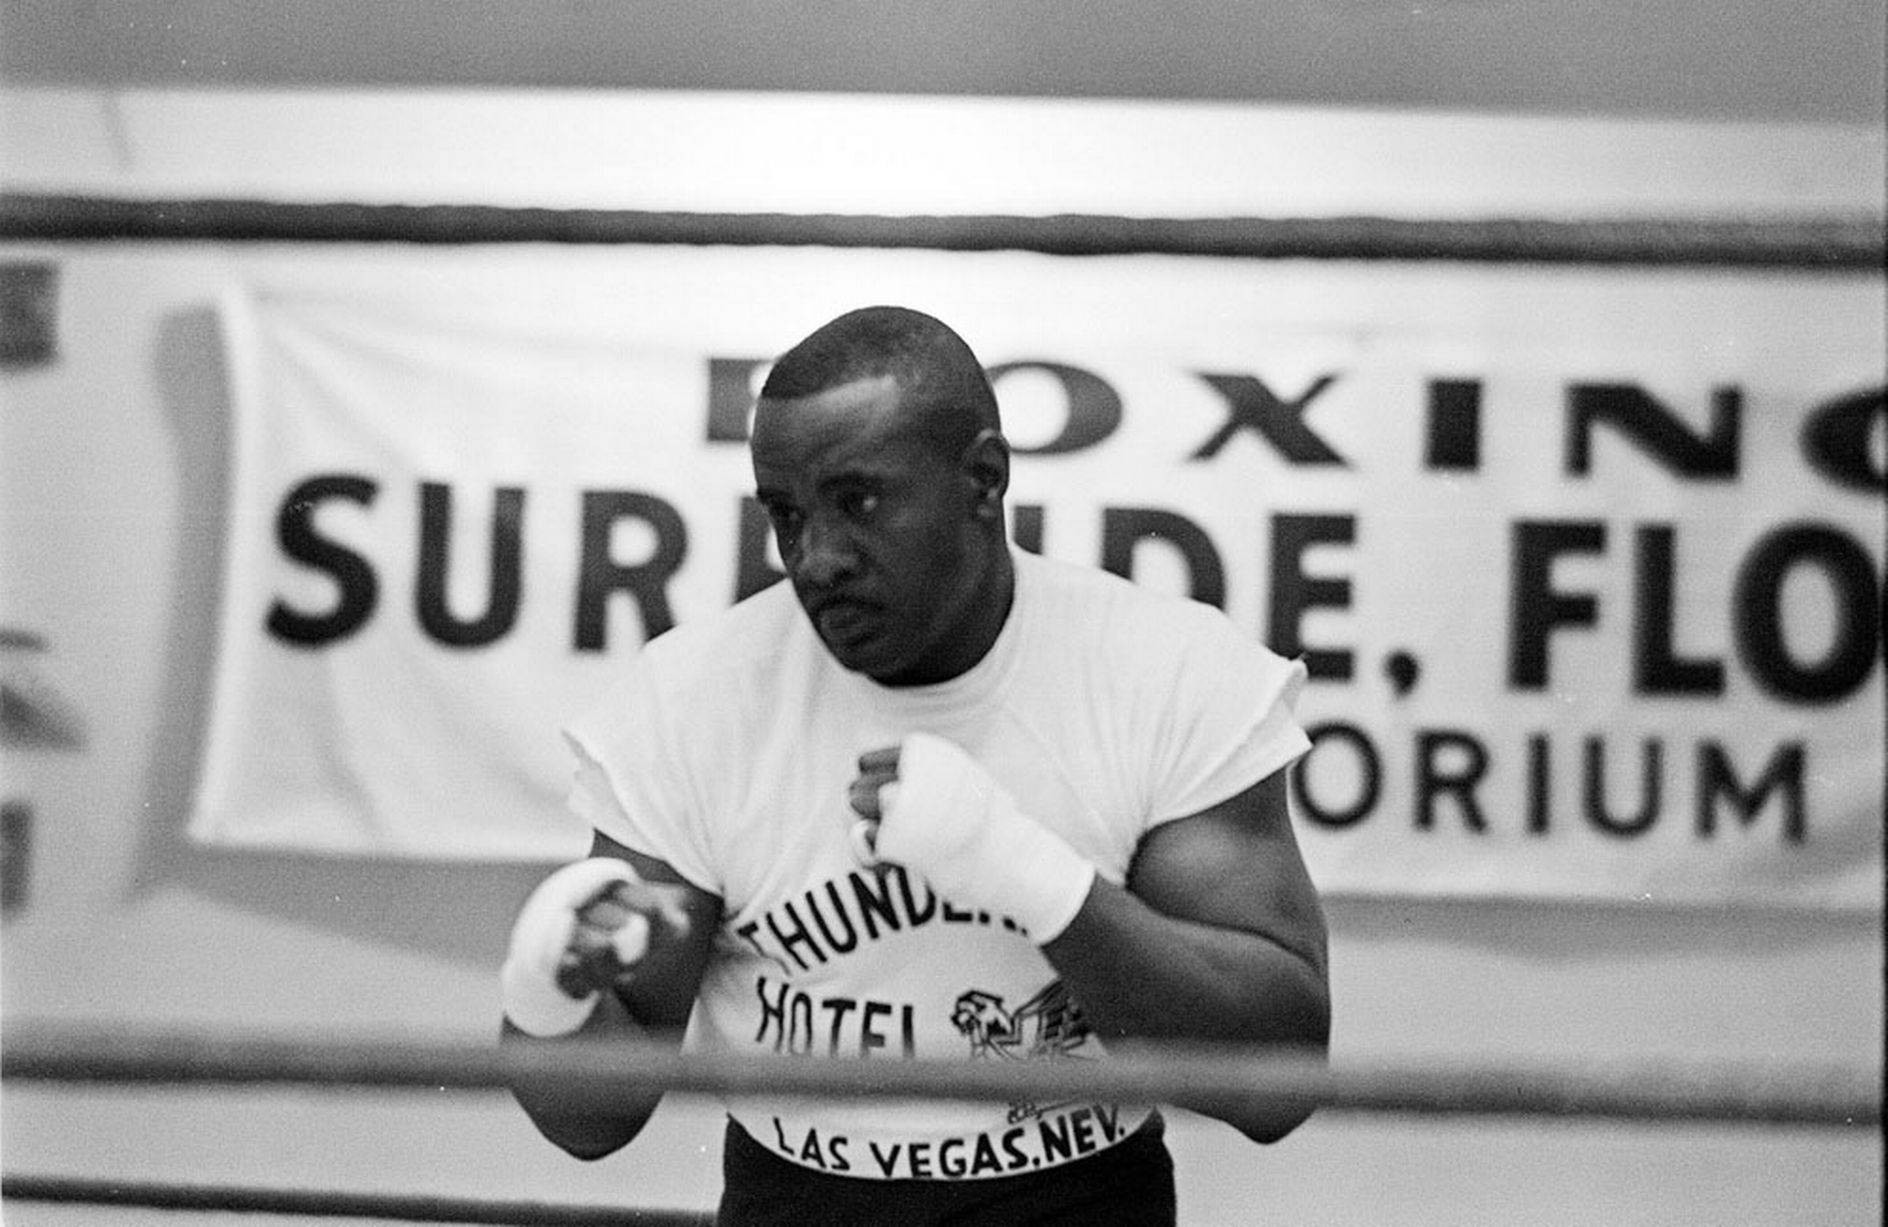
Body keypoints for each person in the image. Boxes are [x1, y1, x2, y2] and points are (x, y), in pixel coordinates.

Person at [500, 305, 1330, 1225]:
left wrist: (1027, 873)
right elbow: (591, 1120)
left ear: (983, 478)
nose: (816, 560)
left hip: (1080, 1203)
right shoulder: (698, 699)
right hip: (798, 1203)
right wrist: (545, 984)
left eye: (857, 502)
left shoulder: (1164, 674)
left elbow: (1278, 1081)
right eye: (786, 515)